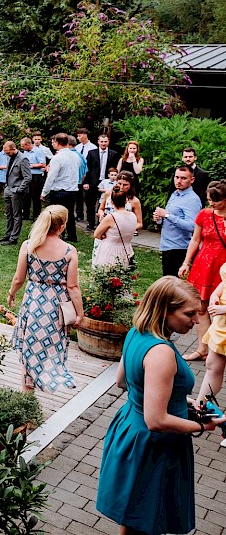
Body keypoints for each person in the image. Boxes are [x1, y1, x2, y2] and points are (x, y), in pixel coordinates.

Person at [96, 277, 218, 535]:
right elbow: (156, 420)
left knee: (134, 518)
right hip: (153, 446)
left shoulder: (135, 333)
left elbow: (123, 381)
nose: (196, 320)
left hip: (129, 428)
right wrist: (201, 424)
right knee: (147, 519)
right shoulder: (162, 352)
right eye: (189, 314)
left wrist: (180, 399)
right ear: (165, 310)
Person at [7, 205, 82, 392]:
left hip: (33, 301)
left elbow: (19, 278)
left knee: (30, 344)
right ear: (62, 226)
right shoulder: (69, 251)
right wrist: (79, 313)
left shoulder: (29, 245)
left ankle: (27, 389)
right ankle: (49, 376)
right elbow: (72, 286)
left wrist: (11, 294)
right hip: (56, 304)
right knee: (52, 345)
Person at [179, 180, 226, 361]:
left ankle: (219, 348)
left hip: (223, 269)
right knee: (201, 308)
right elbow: (195, 240)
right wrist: (186, 263)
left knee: (221, 308)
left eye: (216, 200)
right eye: (209, 200)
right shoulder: (205, 214)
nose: (212, 204)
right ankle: (202, 349)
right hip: (204, 265)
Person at [154, 166, 203, 278]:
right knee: (166, 282)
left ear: (192, 180)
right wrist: (159, 219)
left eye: (183, 178)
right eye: (176, 177)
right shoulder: (175, 194)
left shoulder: (192, 199)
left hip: (179, 248)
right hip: (167, 245)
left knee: (172, 285)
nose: (179, 181)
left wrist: (167, 215)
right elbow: (170, 218)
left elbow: (192, 226)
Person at [41, 133, 80, 242]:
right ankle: (72, 235)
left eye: (53, 142)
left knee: (56, 215)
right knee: (70, 214)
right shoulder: (75, 156)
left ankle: (57, 235)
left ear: (57, 143)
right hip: (72, 190)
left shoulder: (57, 158)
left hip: (59, 191)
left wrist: (44, 192)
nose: (52, 144)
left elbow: (51, 177)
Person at [196, 264, 226, 404]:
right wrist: (215, 294)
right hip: (222, 325)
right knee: (212, 365)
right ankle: (200, 406)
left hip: (223, 315)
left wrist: (224, 309)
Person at [84, 134, 120, 231]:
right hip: (93, 182)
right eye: (102, 141)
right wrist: (86, 182)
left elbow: (116, 169)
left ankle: (102, 223)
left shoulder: (114, 154)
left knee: (106, 203)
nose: (103, 143)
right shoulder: (92, 153)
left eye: (105, 141)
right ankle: (91, 223)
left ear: (108, 142)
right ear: (98, 142)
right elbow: (87, 169)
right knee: (90, 204)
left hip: (108, 182)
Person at [1, 139, 33, 246]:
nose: (7, 155)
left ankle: (14, 238)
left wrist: (19, 189)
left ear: (14, 149)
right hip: (8, 189)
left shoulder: (23, 159)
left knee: (16, 215)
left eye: (8, 152)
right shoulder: (10, 157)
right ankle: (8, 234)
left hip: (16, 191)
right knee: (9, 214)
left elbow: (28, 177)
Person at [93, 192, 136, 268]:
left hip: (110, 250)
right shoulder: (133, 216)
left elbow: (96, 234)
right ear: (126, 201)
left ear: (112, 202)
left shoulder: (111, 217)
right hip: (127, 249)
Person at [25, 131, 52, 220]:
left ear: (41, 139)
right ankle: (26, 213)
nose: (37, 141)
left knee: (36, 196)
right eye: (35, 139)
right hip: (28, 174)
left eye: (38, 139)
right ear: (32, 140)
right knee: (27, 195)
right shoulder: (27, 149)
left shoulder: (44, 149)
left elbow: (52, 159)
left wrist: (47, 166)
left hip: (38, 174)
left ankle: (36, 215)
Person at [73, 128, 98, 223]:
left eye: (79, 135)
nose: (78, 137)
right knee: (77, 195)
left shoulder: (93, 147)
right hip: (78, 174)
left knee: (88, 197)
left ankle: (90, 217)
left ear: (85, 135)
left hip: (88, 173)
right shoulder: (77, 147)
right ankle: (79, 215)